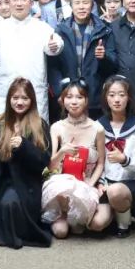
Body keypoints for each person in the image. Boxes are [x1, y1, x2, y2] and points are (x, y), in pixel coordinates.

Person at [0, 77, 53, 249]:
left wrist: (24, 146)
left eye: (25, 98)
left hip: (27, 183)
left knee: (10, 204)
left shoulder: (39, 125)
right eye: (15, 98)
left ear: (32, 100)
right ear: (9, 99)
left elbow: (44, 162)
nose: (19, 102)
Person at [0, 0, 64, 121]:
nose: (19, 3)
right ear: (9, 2)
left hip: (34, 90)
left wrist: (55, 46)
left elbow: (55, 43)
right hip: (5, 91)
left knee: (35, 131)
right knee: (3, 130)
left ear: (31, 3)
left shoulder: (41, 27)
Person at [43, 81, 111, 238]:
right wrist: (62, 152)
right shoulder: (56, 127)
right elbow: (51, 166)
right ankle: (65, 215)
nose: (74, 102)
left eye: (79, 97)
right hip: (61, 187)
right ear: (62, 100)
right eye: (69, 97)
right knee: (60, 232)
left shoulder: (97, 128)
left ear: (86, 100)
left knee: (95, 224)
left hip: (86, 182)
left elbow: (101, 162)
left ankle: (102, 214)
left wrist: (90, 183)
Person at [98, 76, 135, 238]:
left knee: (115, 192)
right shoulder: (98, 126)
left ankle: (124, 223)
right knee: (97, 224)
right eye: (112, 95)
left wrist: (124, 159)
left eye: (121, 95)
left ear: (129, 97)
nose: (117, 100)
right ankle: (114, 213)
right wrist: (100, 182)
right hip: (105, 182)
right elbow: (96, 161)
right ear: (106, 98)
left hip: (130, 182)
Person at [48, 0, 117, 113]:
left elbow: (114, 64)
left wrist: (104, 57)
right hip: (69, 95)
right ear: (71, 6)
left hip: (96, 95)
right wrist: (60, 91)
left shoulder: (105, 30)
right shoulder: (60, 30)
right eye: (77, 3)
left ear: (92, 5)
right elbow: (53, 66)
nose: (81, 7)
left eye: (85, 3)